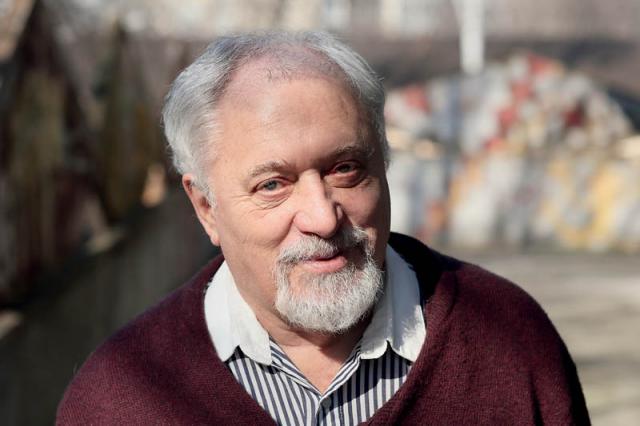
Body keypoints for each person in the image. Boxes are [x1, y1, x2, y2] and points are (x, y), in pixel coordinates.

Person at [57, 31, 589, 425]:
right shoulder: (123, 399)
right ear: (206, 208)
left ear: (383, 164)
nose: (322, 216)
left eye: (345, 169)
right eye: (273, 185)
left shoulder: (510, 344)